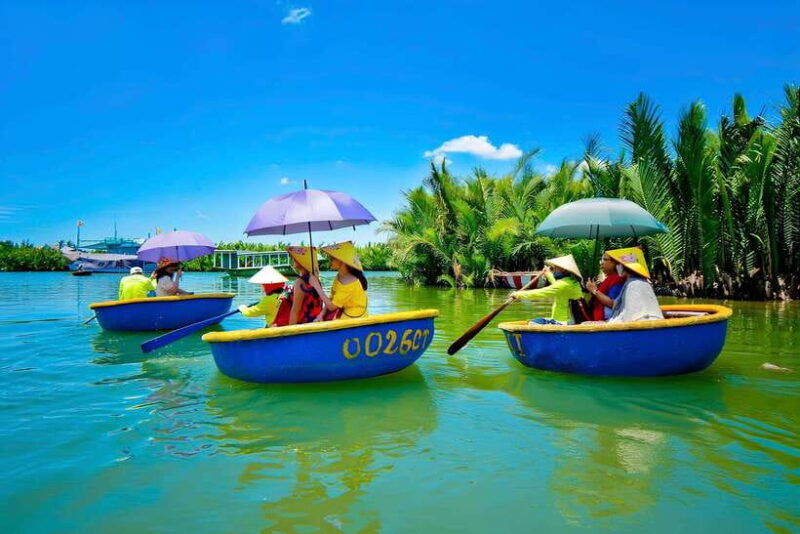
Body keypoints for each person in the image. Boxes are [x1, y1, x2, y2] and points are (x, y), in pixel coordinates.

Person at [510, 254, 584, 324]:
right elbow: (557, 285)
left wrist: (517, 294)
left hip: (564, 322)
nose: (554, 269)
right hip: (564, 320)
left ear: (564, 269)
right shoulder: (570, 281)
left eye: (556, 267)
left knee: (534, 323)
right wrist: (548, 274)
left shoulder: (563, 285)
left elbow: (540, 293)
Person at [605, 247, 664, 323]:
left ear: (624, 267)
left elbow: (634, 317)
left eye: (619, 264)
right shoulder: (634, 282)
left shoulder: (633, 284)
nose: (617, 267)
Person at [273, 246, 323, 326]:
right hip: (316, 321)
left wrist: (291, 332)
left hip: (304, 325)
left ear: (302, 261)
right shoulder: (316, 279)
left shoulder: (300, 282)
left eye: (295, 258)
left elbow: (295, 310)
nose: (293, 260)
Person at [318, 241, 368, 320]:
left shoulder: (350, 282)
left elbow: (332, 307)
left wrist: (317, 286)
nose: (330, 260)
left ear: (342, 261)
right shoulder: (339, 276)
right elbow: (331, 298)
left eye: (333, 258)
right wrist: (321, 315)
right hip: (344, 312)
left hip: (355, 318)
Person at [585, 252, 625, 321]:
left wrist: (594, 290)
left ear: (615, 263)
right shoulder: (609, 278)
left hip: (609, 321)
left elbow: (613, 304)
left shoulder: (617, 279)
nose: (602, 263)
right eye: (602, 260)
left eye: (605, 260)